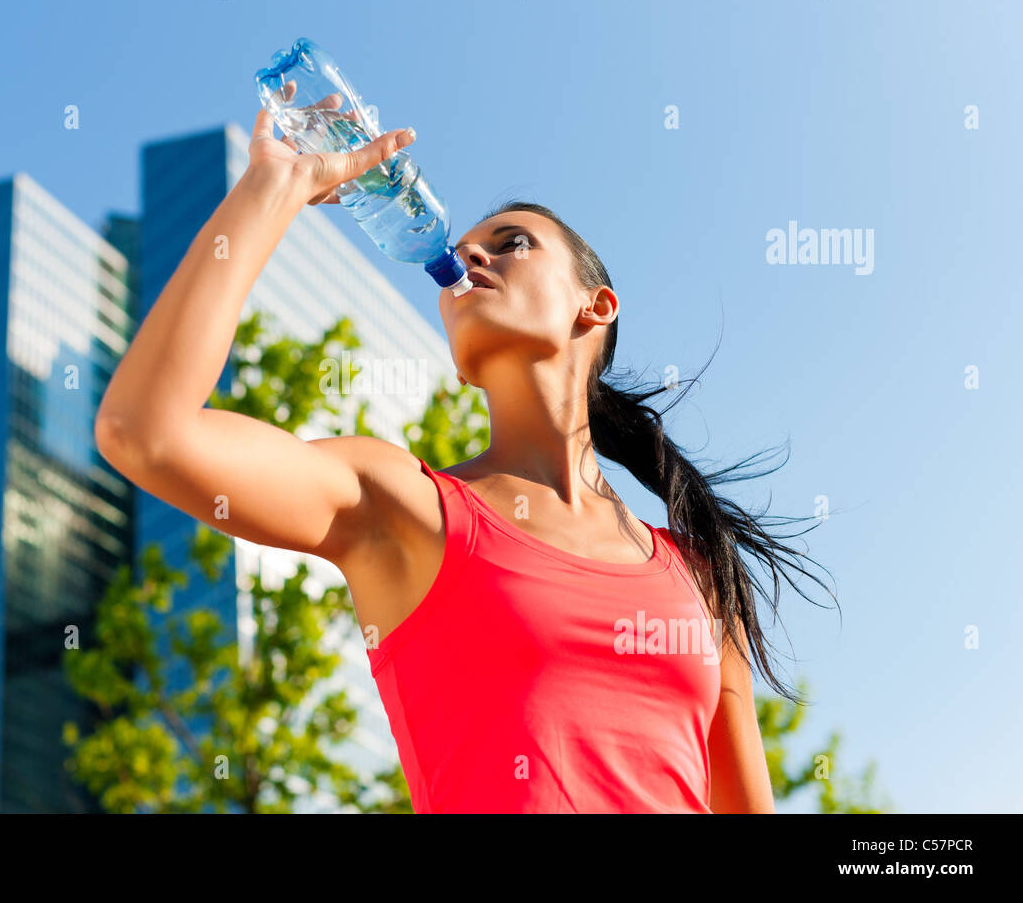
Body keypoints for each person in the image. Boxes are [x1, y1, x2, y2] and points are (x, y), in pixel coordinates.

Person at [95, 108, 834, 813]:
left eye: (512, 242)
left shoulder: (700, 576)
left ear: (596, 306)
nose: (471, 255)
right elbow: (145, 431)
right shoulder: (400, 507)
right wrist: (274, 187)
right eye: (468, 247)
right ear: (460, 364)